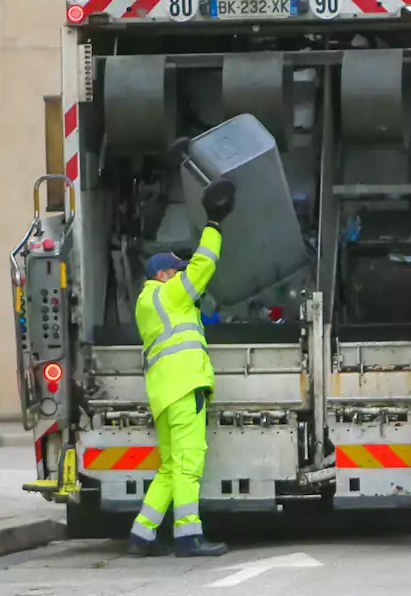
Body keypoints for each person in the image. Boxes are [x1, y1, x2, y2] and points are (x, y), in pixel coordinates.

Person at [127, 179, 237, 559]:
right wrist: (215, 224)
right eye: (174, 270)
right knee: (189, 463)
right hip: (185, 386)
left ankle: (141, 535)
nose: (179, 273)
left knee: (171, 465)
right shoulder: (169, 295)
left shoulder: (149, 303)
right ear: (162, 275)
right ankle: (189, 538)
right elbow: (203, 267)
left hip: (163, 393)